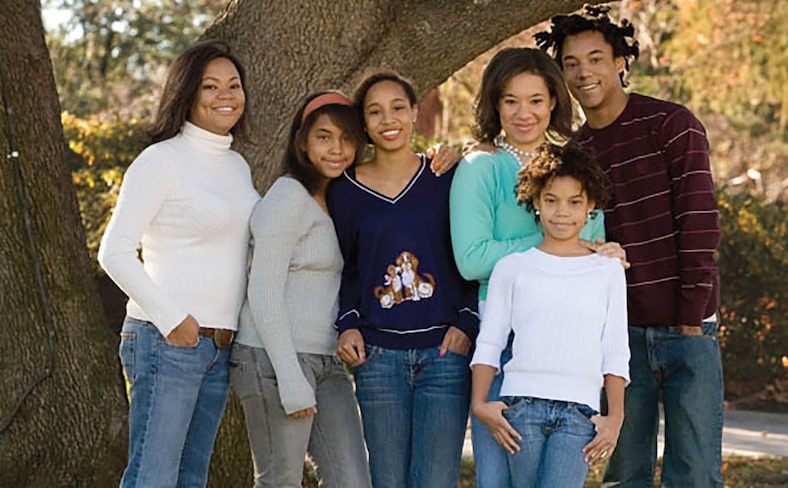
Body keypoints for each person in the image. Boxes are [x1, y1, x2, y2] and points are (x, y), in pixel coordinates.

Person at [538, 4, 724, 486]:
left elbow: (700, 223)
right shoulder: (574, 153)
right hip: (618, 341)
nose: (584, 72)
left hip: (688, 329)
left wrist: (688, 319)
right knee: (625, 474)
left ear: (621, 61)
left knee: (695, 474)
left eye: (596, 58)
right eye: (572, 63)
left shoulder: (671, 125)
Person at [448, 47, 623, 488]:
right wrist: (554, 243)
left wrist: (593, 249)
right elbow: (471, 260)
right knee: (496, 480)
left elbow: (596, 245)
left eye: (536, 100)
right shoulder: (479, 166)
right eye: (511, 101)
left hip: (568, 349)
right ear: (495, 104)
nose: (524, 113)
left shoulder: (573, 164)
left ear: (554, 102)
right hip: (501, 343)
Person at [98, 40, 260, 487]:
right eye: (210, 86)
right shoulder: (161, 160)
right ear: (187, 94)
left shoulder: (238, 166)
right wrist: (174, 322)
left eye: (233, 85)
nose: (226, 95)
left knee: (191, 479)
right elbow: (113, 251)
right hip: (166, 340)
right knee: (153, 477)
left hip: (219, 345)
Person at [329, 71, 478, 488]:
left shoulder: (447, 177)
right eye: (374, 112)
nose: (388, 119)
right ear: (363, 123)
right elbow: (344, 268)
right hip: (378, 357)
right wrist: (348, 323)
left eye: (397, 107)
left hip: (445, 356)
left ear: (414, 112)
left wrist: (466, 323)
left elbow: (468, 258)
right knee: (388, 481)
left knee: (434, 481)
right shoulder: (345, 190)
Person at [230, 91, 372, 487]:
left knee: (354, 481)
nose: (337, 149)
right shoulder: (288, 196)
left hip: (326, 361)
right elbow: (263, 291)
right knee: (280, 481)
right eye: (324, 136)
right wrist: (289, 375)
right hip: (272, 358)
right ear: (302, 141)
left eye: (346, 139)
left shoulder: (338, 200)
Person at [471, 141, 630, 488]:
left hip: (580, 414)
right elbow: (490, 341)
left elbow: (616, 349)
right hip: (521, 409)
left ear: (590, 206)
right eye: (551, 200)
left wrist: (615, 417)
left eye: (575, 202)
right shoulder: (512, 268)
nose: (562, 212)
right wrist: (481, 403)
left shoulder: (607, 270)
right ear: (536, 202)